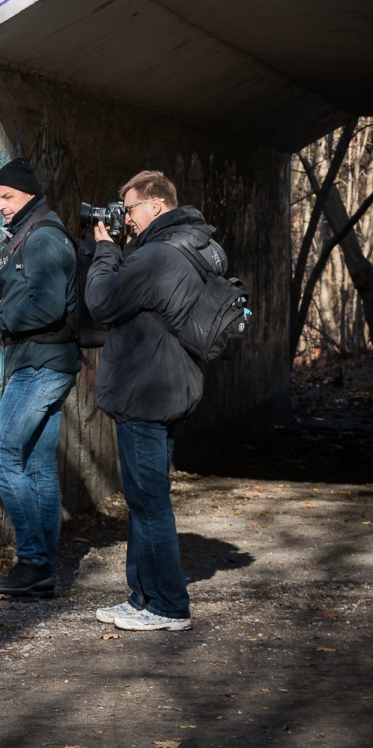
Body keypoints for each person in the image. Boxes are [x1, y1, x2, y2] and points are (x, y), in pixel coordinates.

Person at [85, 169, 221, 632]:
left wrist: (105, 251)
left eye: (130, 208)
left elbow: (101, 302)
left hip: (146, 391)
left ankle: (168, 605)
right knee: (145, 499)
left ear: (156, 206)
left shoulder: (159, 255)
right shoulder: (185, 247)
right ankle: (142, 597)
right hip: (163, 385)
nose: (126, 218)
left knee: (149, 502)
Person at [0, 157, 80, 599]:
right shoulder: (30, 236)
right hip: (44, 362)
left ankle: (33, 560)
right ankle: (43, 571)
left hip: (41, 365)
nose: (2, 206)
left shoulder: (44, 238)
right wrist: (0, 291)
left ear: (30, 194)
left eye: (8, 197)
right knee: (36, 467)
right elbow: (34, 294)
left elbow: (48, 308)